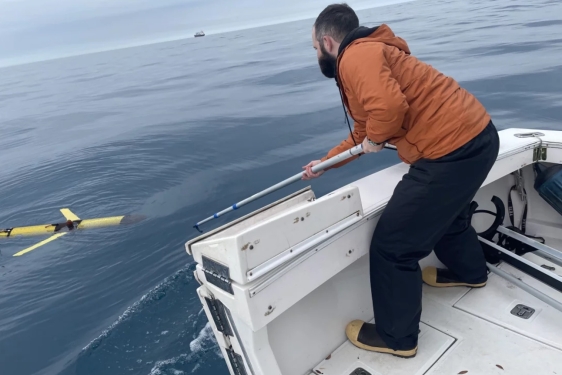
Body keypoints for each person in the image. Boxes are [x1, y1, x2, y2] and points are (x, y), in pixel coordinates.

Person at [302, 3, 500, 358]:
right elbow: (364, 130)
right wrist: (326, 163)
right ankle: (471, 272)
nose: (315, 54)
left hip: (449, 152)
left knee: (392, 247)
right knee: (448, 215)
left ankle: (398, 338)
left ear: (328, 42)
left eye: (314, 47)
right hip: (477, 136)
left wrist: (378, 138)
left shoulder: (354, 57)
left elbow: (388, 112)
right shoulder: (373, 51)